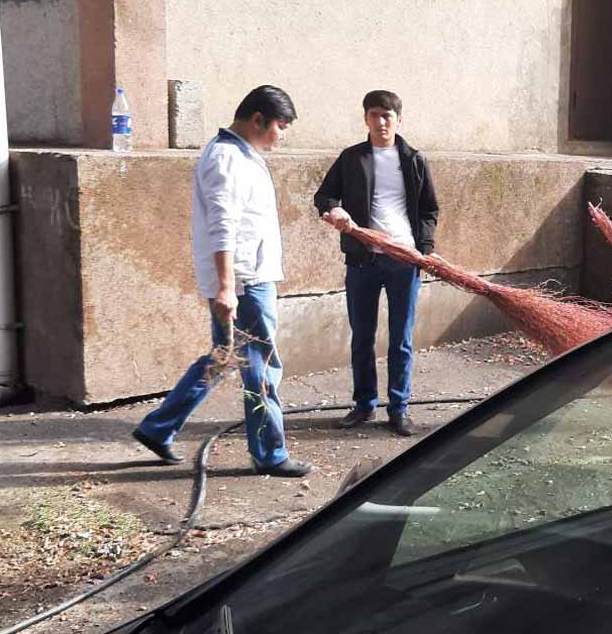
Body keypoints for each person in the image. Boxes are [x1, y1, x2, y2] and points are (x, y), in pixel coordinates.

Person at [132, 85, 312, 477]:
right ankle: (269, 453)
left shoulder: (241, 154)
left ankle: (158, 427)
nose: (282, 136)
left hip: (245, 278)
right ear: (258, 119)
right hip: (245, 282)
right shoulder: (227, 158)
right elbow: (222, 226)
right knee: (261, 366)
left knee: (224, 357)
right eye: (280, 126)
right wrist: (227, 287)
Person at [314, 90, 439, 437]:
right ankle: (364, 404)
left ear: (399, 119)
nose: (381, 122)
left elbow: (429, 209)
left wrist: (425, 249)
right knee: (362, 336)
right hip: (362, 260)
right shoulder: (352, 158)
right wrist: (335, 209)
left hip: (403, 260)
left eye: (387, 115)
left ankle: (398, 408)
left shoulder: (414, 159)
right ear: (366, 119)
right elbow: (324, 195)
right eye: (374, 115)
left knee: (401, 339)